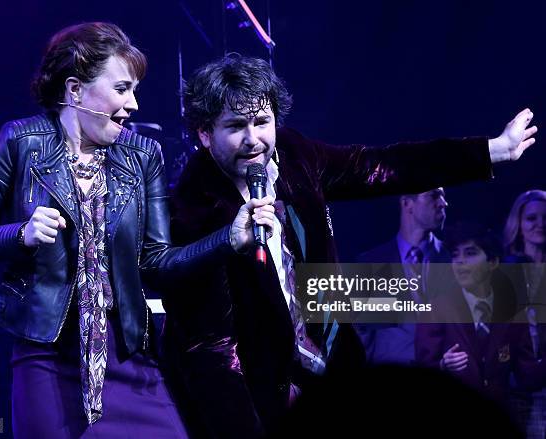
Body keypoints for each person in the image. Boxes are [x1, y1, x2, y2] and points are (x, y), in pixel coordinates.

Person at [162, 53, 538, 438]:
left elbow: (383, 166)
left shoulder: (295, 156)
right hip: (261, 395)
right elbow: (212, 349)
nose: (253, 139)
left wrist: (490, 151)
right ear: (205, 133)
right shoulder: (191, 209)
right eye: (236, 126)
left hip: (332, 368)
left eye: (262, 122)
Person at [0, 24, 274, 438]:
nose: (133, 104)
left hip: (126, 355)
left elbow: (156, 263)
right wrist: (20, 234)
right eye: (122, 89)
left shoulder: (142, 156)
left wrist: (227, 240)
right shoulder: (20, 141)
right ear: (75, 91)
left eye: (134, 90)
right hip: (47, 353)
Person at [415, 222, 546, 415]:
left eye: (470, 253)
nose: (460, 261)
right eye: (455, 255)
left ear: (492, 262)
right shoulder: (435, 310)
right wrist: (443, 366)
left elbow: (527, 377)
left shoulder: (513, 312)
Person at [356, 187, 456, 365]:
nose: (443, 203)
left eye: (443, 196)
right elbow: (363, 332)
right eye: (433, 195)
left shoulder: (454, 258)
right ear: (407, 203)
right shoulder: (372, 262)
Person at [503, 190, 546, 438]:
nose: (541, 224)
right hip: (517, 386)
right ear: (518, 224)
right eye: (532, 218)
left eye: (545, 217)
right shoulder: (505, 269)